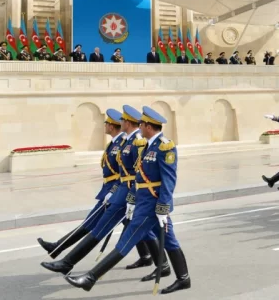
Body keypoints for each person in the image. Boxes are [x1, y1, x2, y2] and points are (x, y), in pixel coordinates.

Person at [65, 106, 191, 294]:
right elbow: (137, 176)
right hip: (143, 201)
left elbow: (168, 180)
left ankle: (90, 278)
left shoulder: (165, 147)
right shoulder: (146, 146)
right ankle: (184, 279)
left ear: (148, 126)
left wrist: (163, 207)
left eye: (141, 124)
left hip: (153, 206)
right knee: (170, 241)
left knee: (126, 240)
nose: (139, 127)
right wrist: (131, 199)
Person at [39, 107, 162, 277]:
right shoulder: (128, 141)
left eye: (122, 121)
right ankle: (160, 263)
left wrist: (131, 197)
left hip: (126, 194)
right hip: (120, 191)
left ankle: (68, 263)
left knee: (101, 227)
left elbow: (139, 173)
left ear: (126, 122)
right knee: (139, 229)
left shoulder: (137, 143)